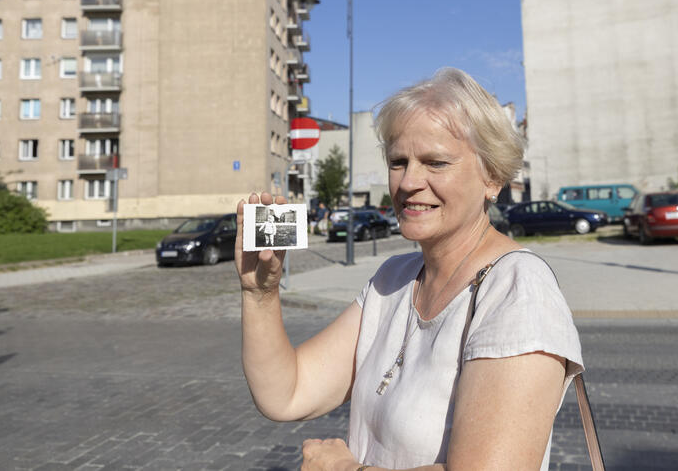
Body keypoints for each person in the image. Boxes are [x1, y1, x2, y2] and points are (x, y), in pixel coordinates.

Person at [234, 68, 582, 470]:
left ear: (493, 177)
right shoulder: (393, 278)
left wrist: (344, 468)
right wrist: (260, 293)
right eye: (398, 162)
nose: (409, 181)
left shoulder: (518, 289)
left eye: (436, 163)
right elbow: (288, 393)